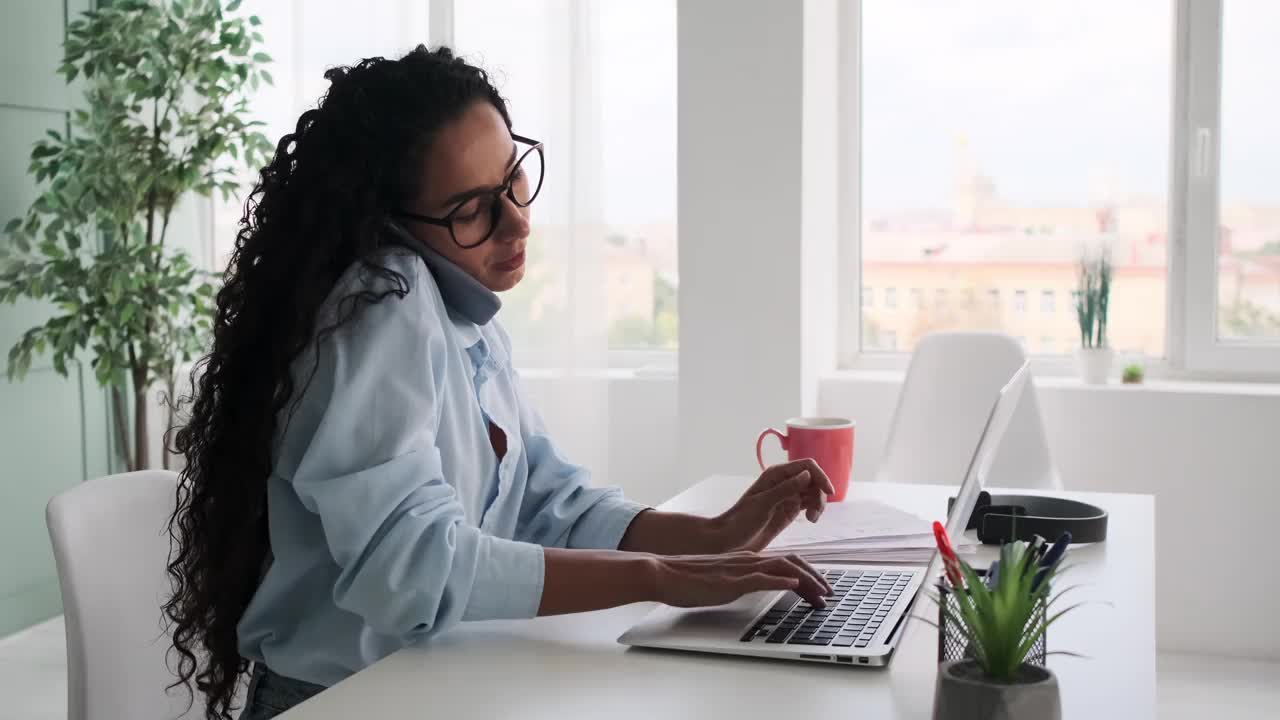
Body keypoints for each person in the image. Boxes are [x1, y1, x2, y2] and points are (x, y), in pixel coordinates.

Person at [165, 46, 834, 720]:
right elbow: (412, 572)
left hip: (427, 684)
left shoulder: (462, 312)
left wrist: (714, 537)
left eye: (513, 178)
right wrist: (661, 578)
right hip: (347, 700)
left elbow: (549, 503)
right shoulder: (382, 308)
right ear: (386, 221)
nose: (516, 219)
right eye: (471, 209)